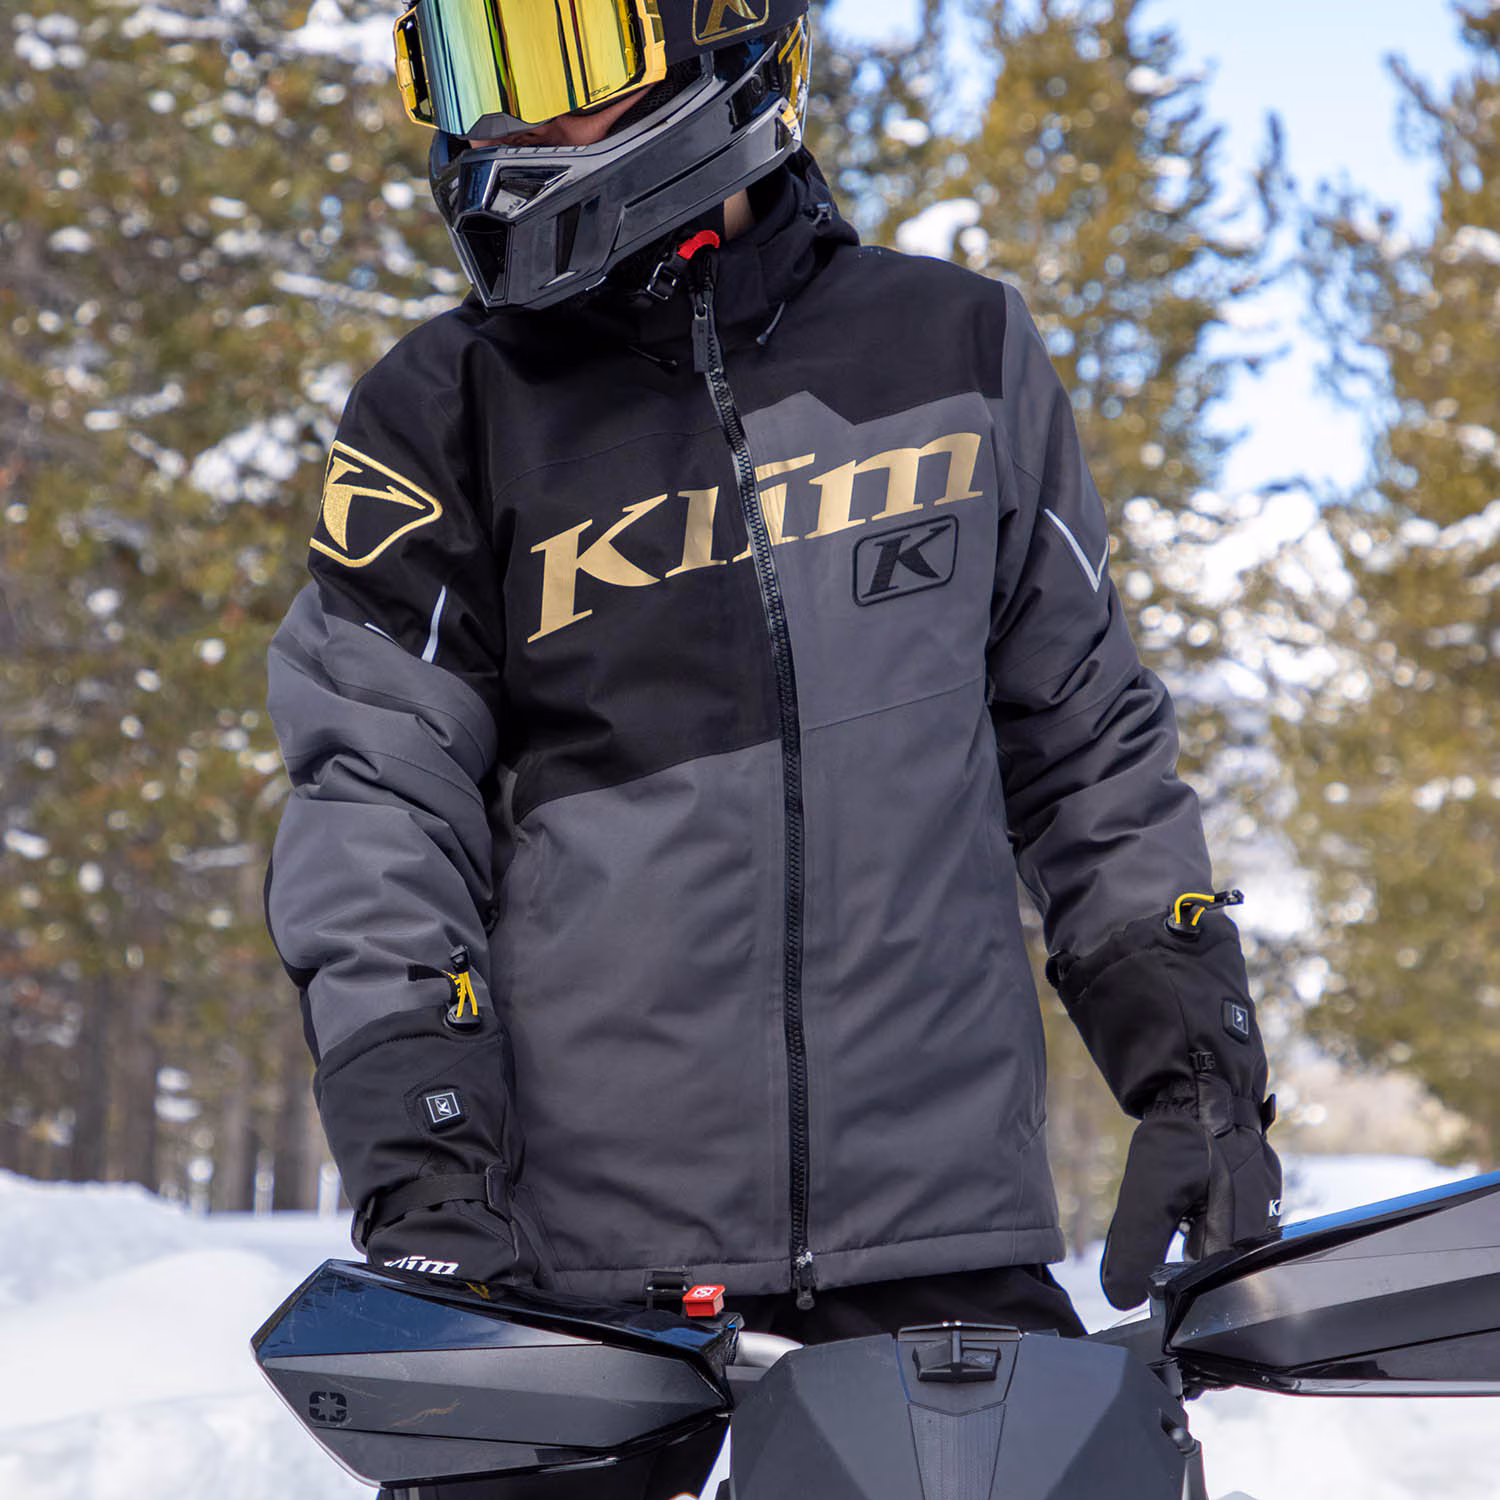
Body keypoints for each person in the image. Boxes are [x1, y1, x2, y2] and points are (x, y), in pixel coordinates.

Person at [265, 0, 1281, 1350]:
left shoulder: (959, 351)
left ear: (724, 38)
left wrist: (1198, 1075)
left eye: (558, 56)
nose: (507, 124)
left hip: (941, 1248)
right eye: (468, 71)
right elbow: (376, 804)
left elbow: (1086, 749)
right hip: (573, 1281)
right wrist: (425, 1158)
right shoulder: (444, 408)